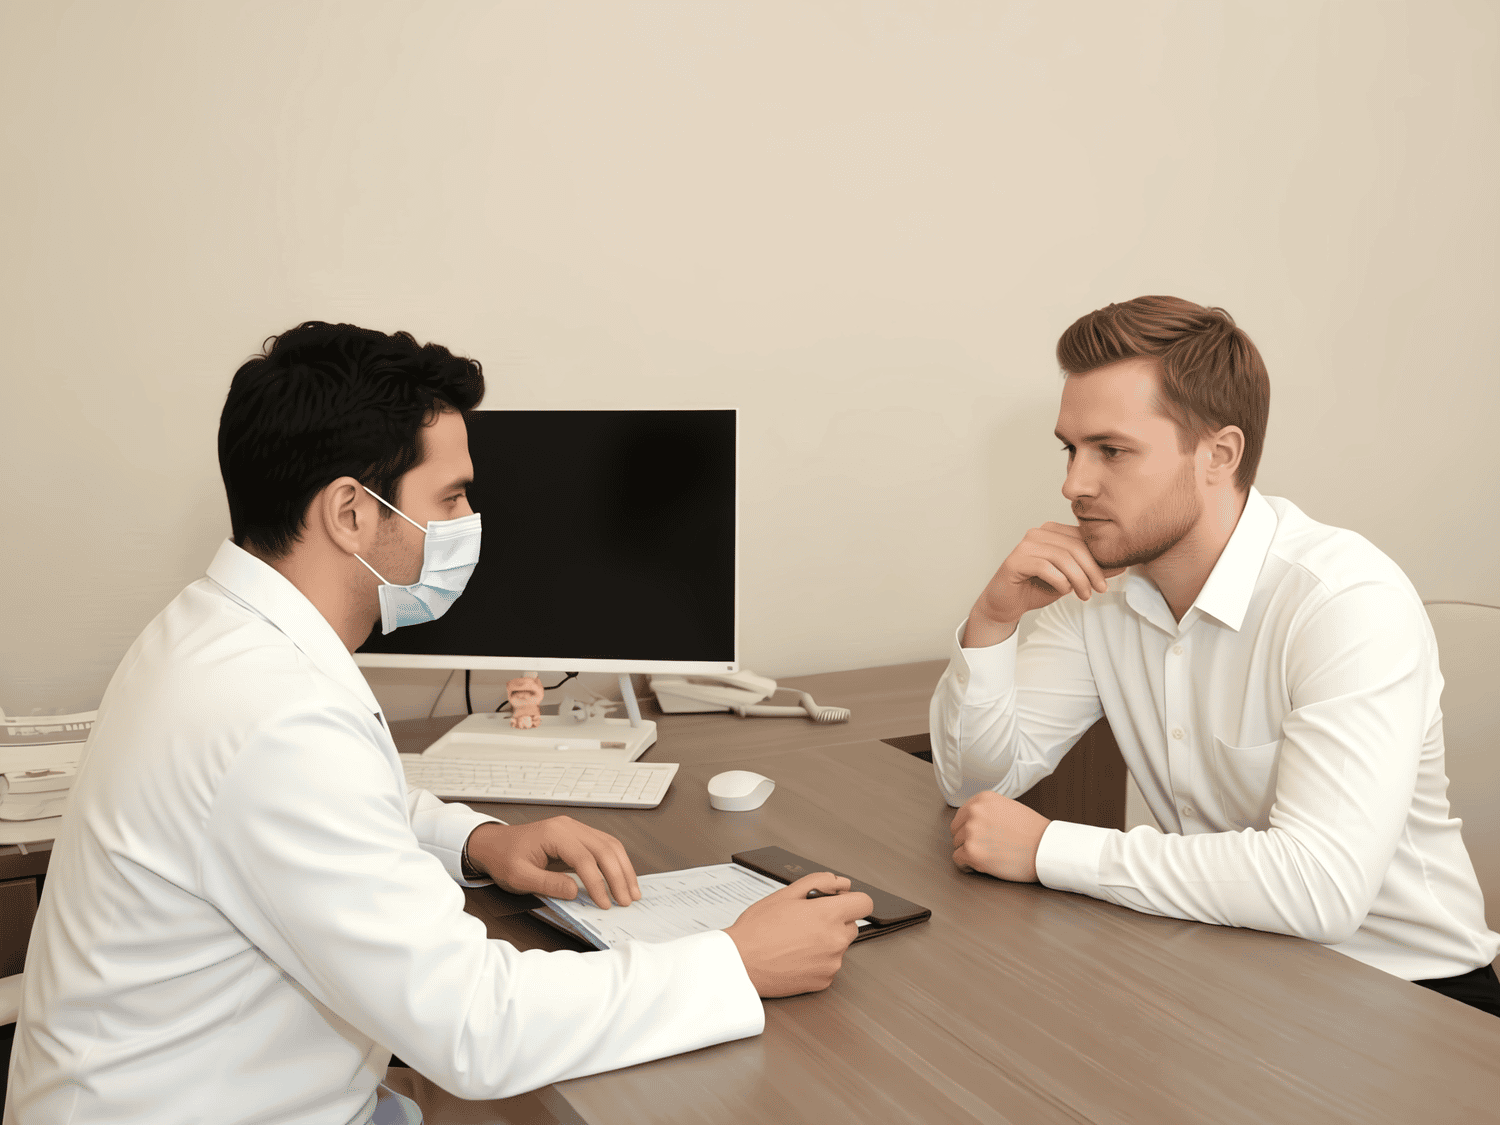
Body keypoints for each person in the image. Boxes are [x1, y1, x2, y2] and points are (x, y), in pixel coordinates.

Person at [6, 322, 872, 1125]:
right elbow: (476, 1026)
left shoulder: (216, 633)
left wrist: (477, 840)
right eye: (452, 497)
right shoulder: (274, 715)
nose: (470, 526)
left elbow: (337, 810)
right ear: (350, 512)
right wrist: (735, 961)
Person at [932, 296, 1500, 1016]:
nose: (1074, 483)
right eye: (1069, 449)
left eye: (1111, 450)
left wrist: (1049, 848)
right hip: (1232, 967)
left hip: (1416, 1001)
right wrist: (994, 619)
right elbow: (974, 780)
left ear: (1219, 455)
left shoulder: (1344, 600)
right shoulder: (1099, 595)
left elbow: (1319, 885)